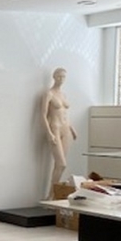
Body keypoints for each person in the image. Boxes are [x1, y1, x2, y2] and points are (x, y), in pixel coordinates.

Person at [42, 67, 76, 199]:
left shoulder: (63, 94)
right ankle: (50, 195)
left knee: (59, 165)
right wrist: (48, 133)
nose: (61, 79)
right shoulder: (49, 94)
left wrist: (72, 128)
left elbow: (65, 114)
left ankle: (52, 196)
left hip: (66, 129)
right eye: (59, 76)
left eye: (63, 77)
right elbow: (43, 115)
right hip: (55, 128)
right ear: (54, 77)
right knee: (62, 164)